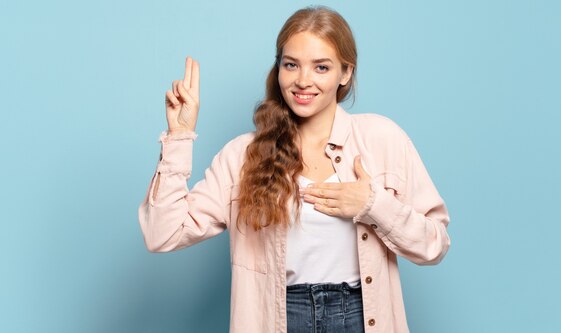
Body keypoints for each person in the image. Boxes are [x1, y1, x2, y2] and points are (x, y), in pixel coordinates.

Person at [138, 5, 450, 333]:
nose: (303, 80)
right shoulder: (243, 156)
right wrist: (179, 137)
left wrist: (373, 205)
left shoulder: (383, 139)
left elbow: (434, 245)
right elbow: (162, 234)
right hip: (278, 317)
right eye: (292, 65)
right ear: (279, 69)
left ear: (345, 73)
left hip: (360, 315)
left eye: (321, 67)